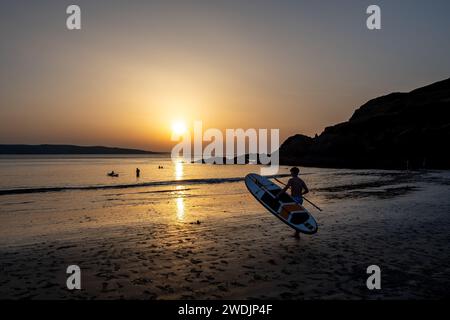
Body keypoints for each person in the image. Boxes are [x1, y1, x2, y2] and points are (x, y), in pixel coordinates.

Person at [276, 167, 309, 239]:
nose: (291, 173)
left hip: (294, 199)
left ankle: (297, 232)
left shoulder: (291, 180)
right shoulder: (301, 180)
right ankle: (297, 233)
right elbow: (307, 190)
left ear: (294, 172)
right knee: (297, 215)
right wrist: (301, 194)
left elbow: (285, 188)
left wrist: (278, 195)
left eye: (291, 172)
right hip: (300, 199)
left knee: (292, 214)